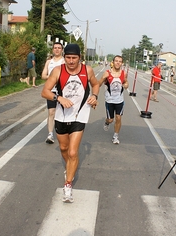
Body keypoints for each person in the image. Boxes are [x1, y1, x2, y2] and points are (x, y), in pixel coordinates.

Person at [41, 43, 99, 203]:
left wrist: (95, 96)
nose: (71, 61)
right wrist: (58, 98)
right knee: (64, 148)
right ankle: (70, 168)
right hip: (61, 116)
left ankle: (68, 185)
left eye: (74, 58)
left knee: (73, 152)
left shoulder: (87, 70)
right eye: (68, 58)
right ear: (64, 57)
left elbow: (95, 84)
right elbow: (44, 91)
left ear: (80, 57)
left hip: (79, 115)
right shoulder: (58, 70)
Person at [99, 55, 128, 144]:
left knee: (118, 118)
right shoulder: (107, 73)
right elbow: (98, 84)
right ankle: (107, 122)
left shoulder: (124, 73)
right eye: (116, 61)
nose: (118, 63)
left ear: (121, 63)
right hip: (109, 101)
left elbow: (125, 82)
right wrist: (103, 78)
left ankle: (115, 136)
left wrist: (126, 85)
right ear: (113, 62)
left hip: (119, 100)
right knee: (111, 119)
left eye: (120, 61)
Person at [41, 42, 65, 144]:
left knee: (62, 113)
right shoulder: (49, 62)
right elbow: (43, 76)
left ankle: (63, 132)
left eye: (59, 48)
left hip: (63, 91)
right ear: (52, 50)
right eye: (55, 48)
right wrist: (52, 78)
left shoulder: (65, 61)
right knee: (51, 112)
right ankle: (50, 134)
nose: (57, 50)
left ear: (62, 50)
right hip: (51, 91)